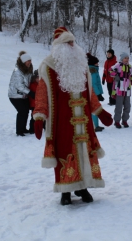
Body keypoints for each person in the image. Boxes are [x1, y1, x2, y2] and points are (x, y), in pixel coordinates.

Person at [33, 27, 113, 206]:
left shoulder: (82, 65)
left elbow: (90, 94)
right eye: (67, 42)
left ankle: (82, 186)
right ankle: (66, 191)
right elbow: (42, 94)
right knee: (65, 153)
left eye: (72, 42)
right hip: (61, 123)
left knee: (84, 152)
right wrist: (39, 116)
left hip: (84, 122)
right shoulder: (48, 67)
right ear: (58, 46)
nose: (71, 45)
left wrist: (100, 112)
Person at [8, 51, 34, 136]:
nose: (29, 62)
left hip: (24, 95)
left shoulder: (29, 70)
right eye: (28, 61)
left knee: (26, 111)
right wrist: (30, 92)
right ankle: (19, 131)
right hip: (15, 95)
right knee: (22, 111)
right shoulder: (17, 71)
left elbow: (31, 80)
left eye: (30, 60)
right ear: (23, 62)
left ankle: (23, 129)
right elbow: (19, 85)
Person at [109, 52, 132, 128]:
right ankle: (117, 121)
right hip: (119, 89)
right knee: (119, 106)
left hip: (127, 89)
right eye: (125, 58)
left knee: (127, 106)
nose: (126, 60)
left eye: (127, 58)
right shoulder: (118, 65)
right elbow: (110, 70)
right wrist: (116, 75)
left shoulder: (129, 66)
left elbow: (130, 76)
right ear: (122, 59)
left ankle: (125, 120)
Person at [87, 53, 105, 132]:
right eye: (96, 62)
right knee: (94, 109)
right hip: (93, 93)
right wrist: (98, 94)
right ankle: (95, 126)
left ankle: (94, 125)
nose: (98, 64)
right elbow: (94, 84)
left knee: (93, 109)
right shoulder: (93, 71)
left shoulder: (93, 70)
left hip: (92, 92)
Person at [28, 69, 39, 134]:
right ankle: (32, 129)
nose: (39, 79)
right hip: (34, 104)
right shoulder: (33, 85)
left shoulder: (41, 84)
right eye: (37, 78)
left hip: (39, 103)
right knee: (33, 117)